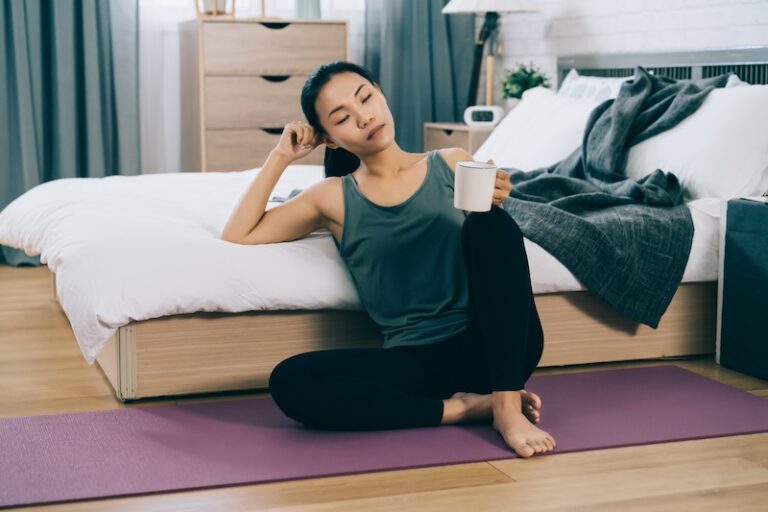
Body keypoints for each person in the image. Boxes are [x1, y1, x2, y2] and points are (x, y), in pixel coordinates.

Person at [220, 61, 555, 458]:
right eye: (343, 117)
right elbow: (238, 233)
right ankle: (464, 408)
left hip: (493, 346)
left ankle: (505, 404)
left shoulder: (450, 162)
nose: (364, 117)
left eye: (366, 98)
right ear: (330, 138)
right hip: (417, 362)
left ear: (380, 92)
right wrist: (280, 156)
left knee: (492, 225)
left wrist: (495, 196)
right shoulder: (331, 196)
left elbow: (495, 257)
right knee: (290, 380)